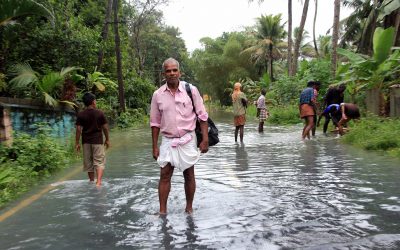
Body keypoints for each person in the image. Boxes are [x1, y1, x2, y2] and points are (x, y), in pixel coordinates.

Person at [150, 57, 209, 215]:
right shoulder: (158, 95)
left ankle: (189, 208)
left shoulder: (191, 90)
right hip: (168, 140)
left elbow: (202, 116)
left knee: (189, 174)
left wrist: (205, 139)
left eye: (174, 70)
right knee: (164, 174)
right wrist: (154, 146)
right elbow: (155, 123)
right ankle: (163, 211)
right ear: (164, 74)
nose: (171, 73)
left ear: (179, 72)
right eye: (168, 71)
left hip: (188, 139)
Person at [75, 92, 110, 187]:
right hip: (97, 142)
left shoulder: (81, 114)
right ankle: (98, 182)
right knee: (99, 162)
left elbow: (78, 129)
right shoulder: (99, 113)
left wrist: (77, 142)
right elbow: (105, 128)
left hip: (86, 142)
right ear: (93, 102)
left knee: (89, 163)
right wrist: (107, 139)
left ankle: (91, 181)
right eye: (95, 100)